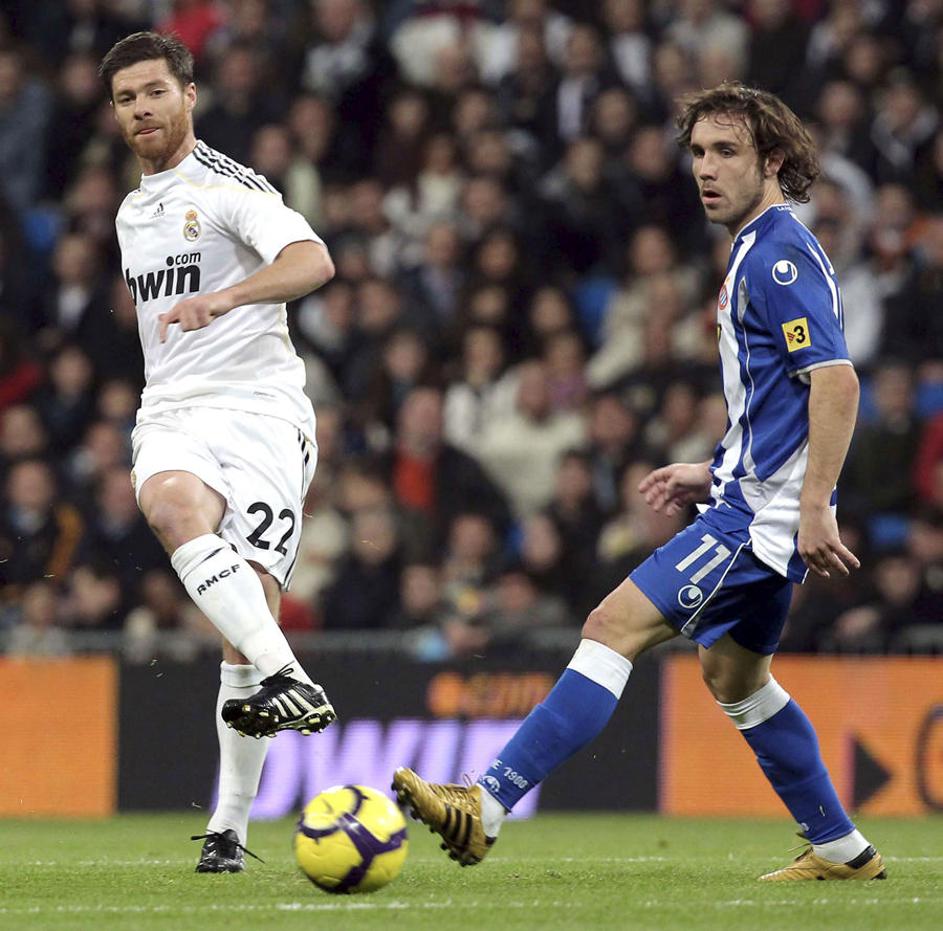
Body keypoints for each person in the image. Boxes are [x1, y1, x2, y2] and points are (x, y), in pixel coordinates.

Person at [393, 82, 886, 883]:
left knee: (611, 624)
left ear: (773, 161)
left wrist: (813, 503)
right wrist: (712, 469)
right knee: (736, 679)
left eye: (726, 151)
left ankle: (485, 802)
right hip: (751, 497)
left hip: (758, 518)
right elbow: (776, 398)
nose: (705, 169)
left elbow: (834, 381)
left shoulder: (778, 254)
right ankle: (838, 847)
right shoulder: (755, 248)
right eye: (697, 152)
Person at [99, 32, 336, 874]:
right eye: (126, 99)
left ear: (189, 94)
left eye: (154, 92)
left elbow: (313, 260)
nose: (142, 110)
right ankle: (290, 674)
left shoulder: (231, 187)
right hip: (173, 410)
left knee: (246, 627)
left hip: (262, 415)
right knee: (169, 505)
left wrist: (226, 297)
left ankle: (229, 826)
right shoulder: (130, 212)